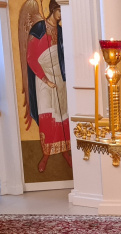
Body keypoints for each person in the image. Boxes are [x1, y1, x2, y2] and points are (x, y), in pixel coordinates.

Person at [26, 0, 71, 172]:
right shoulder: (38, 29)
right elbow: (31, 58)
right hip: (43, 79)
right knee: (47, 117)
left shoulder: (61, 31)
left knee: (62, 116)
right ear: (52, 9)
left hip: (59, 78)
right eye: (59, 10)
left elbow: (64, 57)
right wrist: (46, 80)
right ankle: (45, 155)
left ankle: (65, 152)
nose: (61, 14)